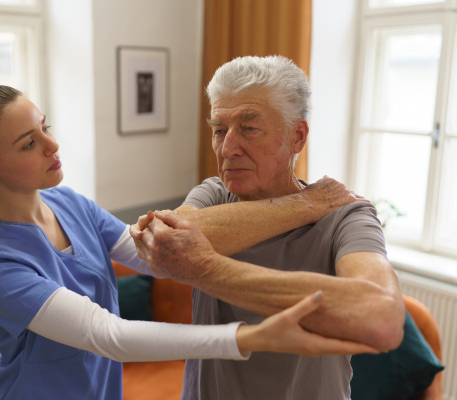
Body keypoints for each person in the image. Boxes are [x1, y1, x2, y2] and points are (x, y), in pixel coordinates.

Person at [0, 85, 378, 400]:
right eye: (29, 143)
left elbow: (156, 260)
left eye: (45, 126)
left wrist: (297, 208)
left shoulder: (69, 204)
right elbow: (109, 336)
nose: (52, 144)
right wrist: (253, 336)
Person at [132, 55, 406, 400]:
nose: (227, 148)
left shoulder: (346, 217)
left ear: (297, 137)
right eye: (219, 130)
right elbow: (166, 239)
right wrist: (305, 205)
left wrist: (207, 268)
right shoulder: (216, 194)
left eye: (249, 128)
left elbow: (381, 318)